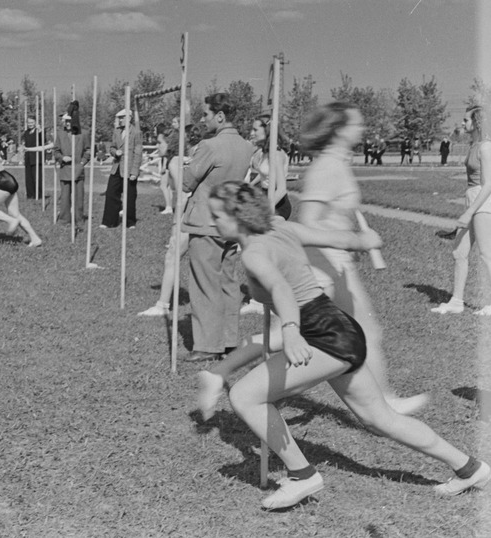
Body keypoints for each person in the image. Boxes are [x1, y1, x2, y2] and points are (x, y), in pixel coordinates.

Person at [196, 181, 491, 511]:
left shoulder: (254, 254)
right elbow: (340, 240)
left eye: (218, 215)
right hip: (339, 327)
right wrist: (365, 241)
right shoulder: (283, 228)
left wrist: (291, 332)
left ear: (238, 217)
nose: (213, 222)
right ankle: (471, 469)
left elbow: (280, 290)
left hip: (320, 334)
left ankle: (302, 475)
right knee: (380, 419)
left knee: (244, 395)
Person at [297, 101, 428, 415]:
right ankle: (384, 404)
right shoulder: (327, 167)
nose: (362, 129)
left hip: (335, 262)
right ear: (340, 130)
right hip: (323, 264)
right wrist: (358, 240)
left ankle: (382, 401)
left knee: (356, 332)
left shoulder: (336, 162)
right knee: (299, 336)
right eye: (357, 124)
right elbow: (304, 225)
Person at [180, 93, 254, 362]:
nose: (203, 119)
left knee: (204, 284)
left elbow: (187, 183)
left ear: (220, 116)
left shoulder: (209, 146)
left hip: (205, 222)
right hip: (230, 221)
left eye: (205, 115)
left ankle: (207, 345)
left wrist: (182, 166)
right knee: (228, 282)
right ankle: (228, 341)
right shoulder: (246, 146)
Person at [138, 124, 204, 317]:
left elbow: (185, 192)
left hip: (188, 216)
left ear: (170, 143)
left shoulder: (174, 162)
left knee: (172, 257)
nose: (157, 146)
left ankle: (162, 305)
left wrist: (178, 223)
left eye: (159, 142)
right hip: (198, 214)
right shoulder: (180, 160)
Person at [431, 105, 491, 316]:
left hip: (484, 202)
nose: (462, 123)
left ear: (476, 122)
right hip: (472, 198)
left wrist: (469, 212)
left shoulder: (486, 147)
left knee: (486, 254)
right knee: (459, 252)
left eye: (466, 120)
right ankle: (456, 301)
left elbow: (489, 184)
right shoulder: (474, 145)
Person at [240, 113, 293, 315]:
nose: (252, 132)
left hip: (277, 204)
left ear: (267, 130)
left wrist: (265, 212)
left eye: (256, 129)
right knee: (255, 250)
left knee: (261, 252)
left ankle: (267, 301)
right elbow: (263, 177)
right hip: (265, 198)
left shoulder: (276, 154)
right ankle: (260, 298)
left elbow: (281, 189)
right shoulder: (262, 153)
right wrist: (247, 185)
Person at [101, 109, 143, 229]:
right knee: (111, 193)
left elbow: (138, 153)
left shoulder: (136, 132)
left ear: (129, 118)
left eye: (122, 118)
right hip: (116, 168)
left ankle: (130, 222)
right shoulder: (117, 131)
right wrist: (115, 152)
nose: (120, 120)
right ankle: (109, 221)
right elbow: (112, 148)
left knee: (130, 196)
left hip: (129, 170)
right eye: (119, 118)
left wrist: (134, 172)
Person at [53, 110, 90, 226]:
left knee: (79, 198)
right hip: (65, 170)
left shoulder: (83, 133)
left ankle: (79, 219)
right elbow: (56, 150)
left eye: (69, 121)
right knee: (64, 198)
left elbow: (88, 150)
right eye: (65, 121)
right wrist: (61, 158)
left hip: (78, 171)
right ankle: (64, 219)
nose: (67, 123)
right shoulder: (60, 133)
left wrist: (82, 162)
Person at [22, 116, 44, 200]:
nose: (30, 124)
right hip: (28, 157)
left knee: (37, 177)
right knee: (28, 177)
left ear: (35, 123)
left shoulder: (39, 131)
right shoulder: (26, 132)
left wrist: (40, 131)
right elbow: (24, 143)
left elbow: (43, 141)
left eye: (32, 122)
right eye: (29, 122)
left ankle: (38, 195)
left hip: (36, 157)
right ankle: (30, 195)